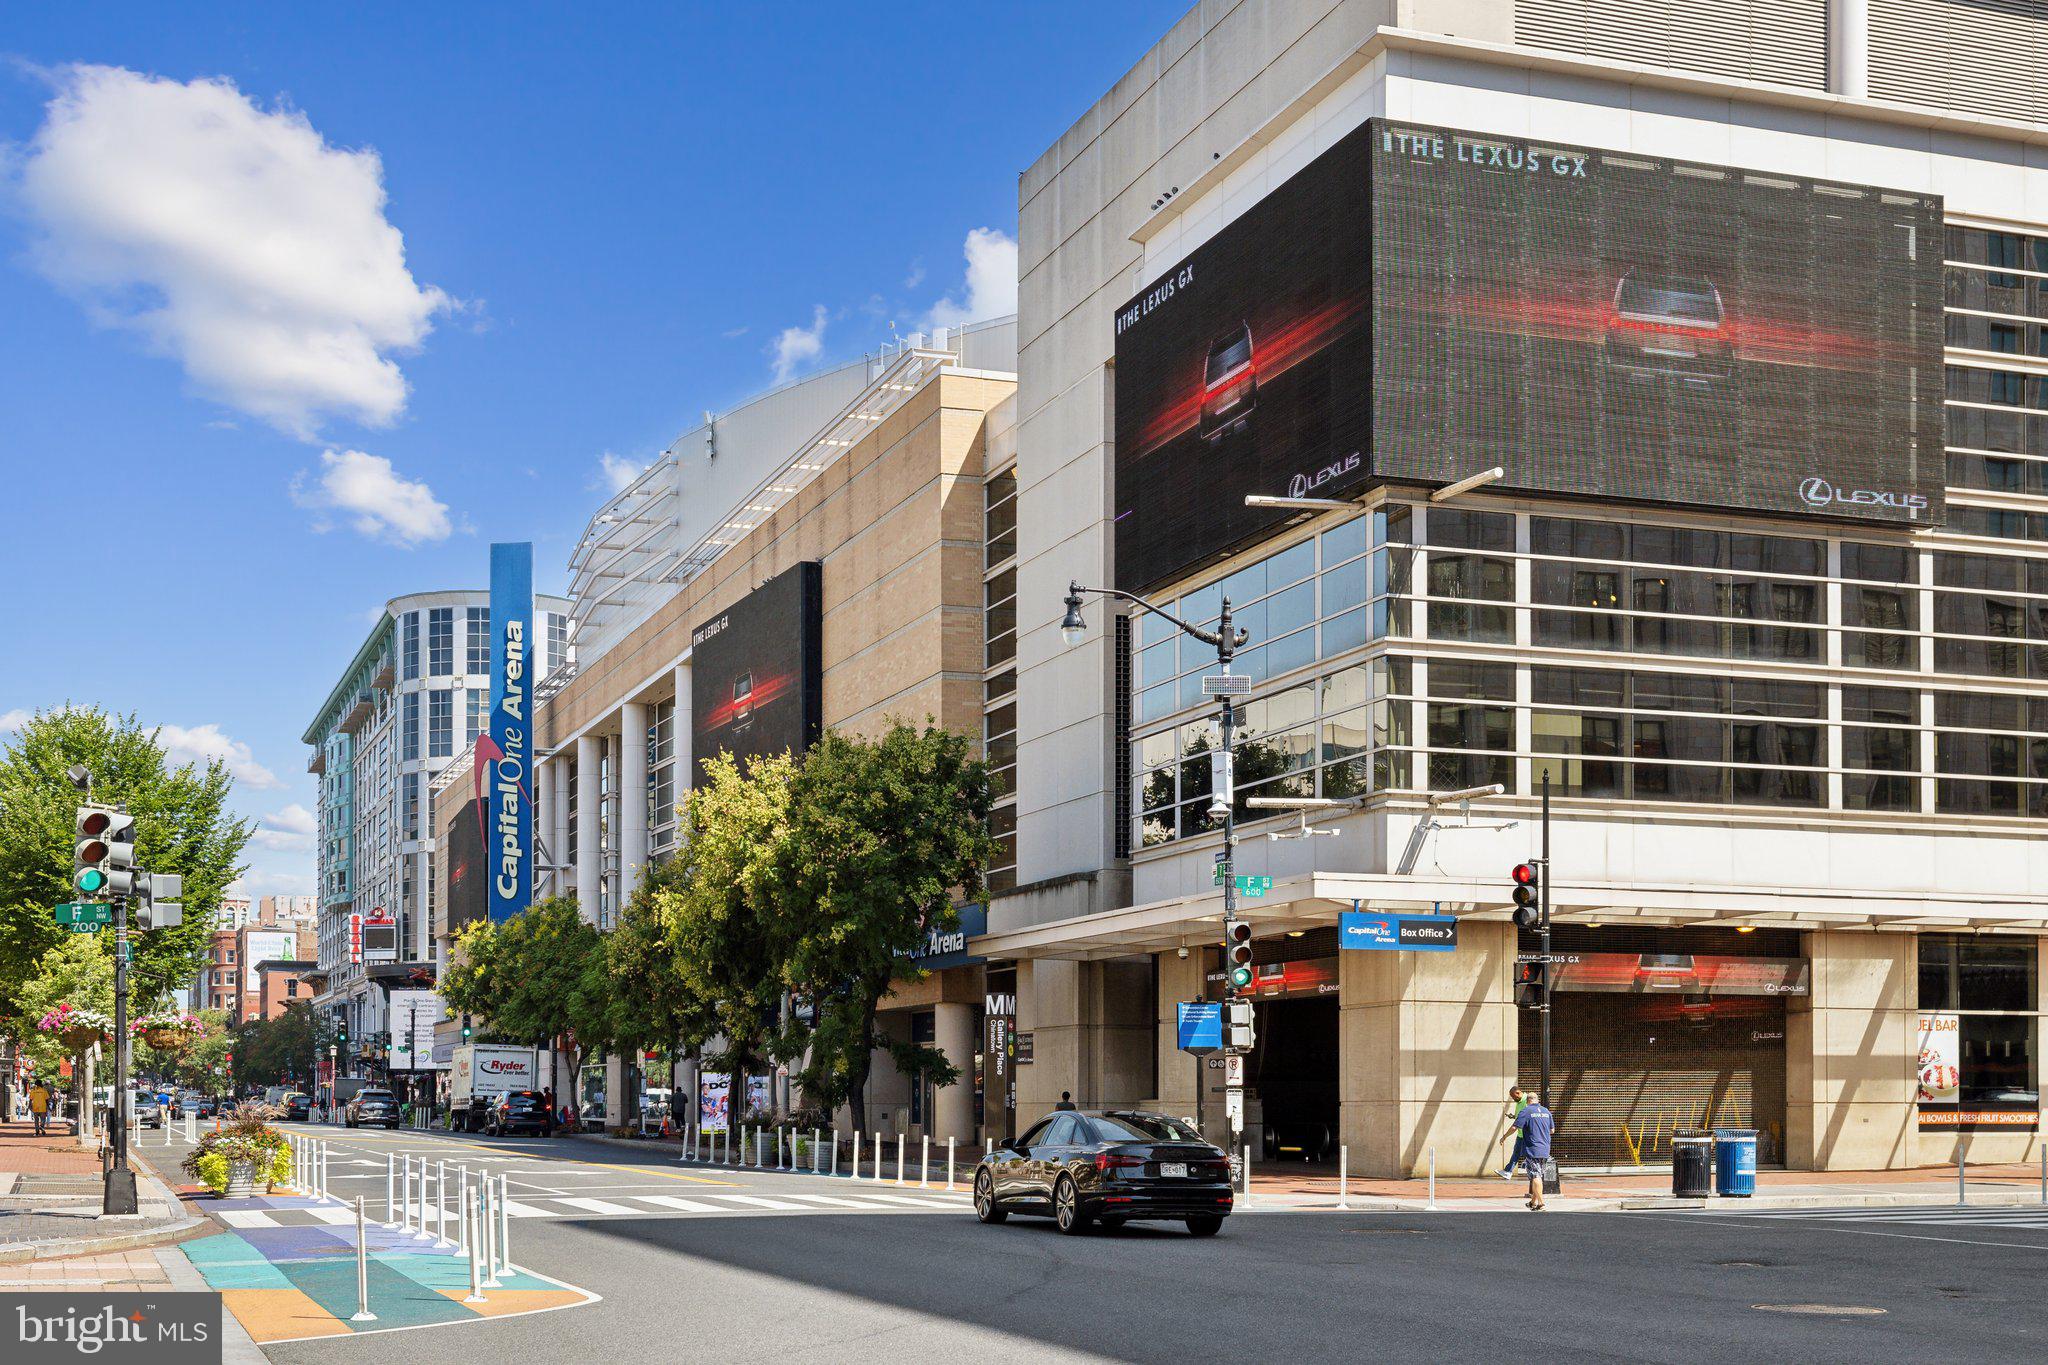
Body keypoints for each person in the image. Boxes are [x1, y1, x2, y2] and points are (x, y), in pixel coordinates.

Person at [1513, 1096, 1555, 1211]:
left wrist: (1504, 1137)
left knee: (1535, 1175)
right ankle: (1533, 1202)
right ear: (1537, 1100)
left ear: (1528, 1101)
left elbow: (1515, 1127)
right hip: (1545, 1149)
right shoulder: (1546, 1111)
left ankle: (1541, 1203)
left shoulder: (1526, 1111)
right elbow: (1552, 1130)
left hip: (1532, 1149)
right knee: (1539, 1176)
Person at [1496, 1085, 1529, 1180]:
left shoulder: (1527, 1101)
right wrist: (1514, 1116)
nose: (1513, 1099)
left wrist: (1505, 1136)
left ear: (1518, 1092)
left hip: (1527, 1134)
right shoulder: (1519, 1102)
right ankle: (1508, 1172)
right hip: (1520, 1134)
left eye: (1514, 1096)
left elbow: (1527, 1118)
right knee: (1516, 1153)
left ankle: (1536, 1174)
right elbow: (1521, 1117)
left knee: (1528, 1155)